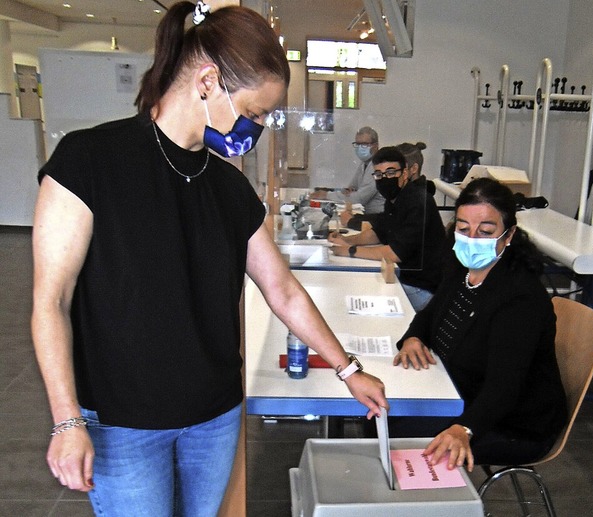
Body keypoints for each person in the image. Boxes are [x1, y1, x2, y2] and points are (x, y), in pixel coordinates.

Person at [30, 3, 388, 516]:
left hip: (213, 418)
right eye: (255, 111)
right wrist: (67, 420)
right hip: (122, 421)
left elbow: (282, 289)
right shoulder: (89, 161)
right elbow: (51, 299)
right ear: (208, 81)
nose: (258, 126)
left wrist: (347, 368)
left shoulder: (228, 186)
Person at [392, 177, 568, 473]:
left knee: (395, 433)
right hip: (459, 393)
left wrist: (465, 429)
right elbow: (427, 315)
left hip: (512, 422)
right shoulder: (463, 268)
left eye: (485, 231)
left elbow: (504, 388)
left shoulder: (519, 297)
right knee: (385, 417)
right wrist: (412, 339)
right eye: (463, 228)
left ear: (509, 234)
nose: (472, 238)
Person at [328, 146, 446, 311]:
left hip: (422, 288)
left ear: (404, 174)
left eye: (391, 173)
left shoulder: (418, 202)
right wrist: (346, 240)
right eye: (379, 174)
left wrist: (350, 251)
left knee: (357, 295)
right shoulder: (395, 199)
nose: (384, 179)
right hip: (403, 277)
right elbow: (379, 232)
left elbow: (394, 253)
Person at [312, 126, 386, 224]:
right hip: (366, 216)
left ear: (375, 146)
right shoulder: (364, 164)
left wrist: (326, 195)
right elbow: (351, 188)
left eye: (364, 144)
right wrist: (349, 192)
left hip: (377, 219)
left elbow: (359, 198)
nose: (360, 148)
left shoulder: (377, 166)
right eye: (357, 144)